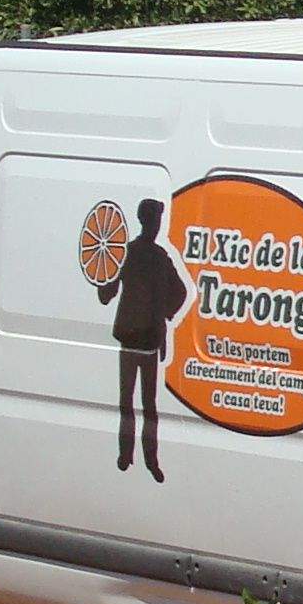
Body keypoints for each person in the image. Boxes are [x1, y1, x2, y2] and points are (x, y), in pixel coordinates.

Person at [97, 196, 190, 480]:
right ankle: (131, 456)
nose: (156, 225)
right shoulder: (135, 253)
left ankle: (144, 459)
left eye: (159, 220)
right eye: (154, 219)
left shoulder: (152, 256)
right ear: (145, 221)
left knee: (142, 405)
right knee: (134, 403)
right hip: (135, 340)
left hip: (145, 341)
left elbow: (181, 292)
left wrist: (162, 314)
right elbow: (107, 293)